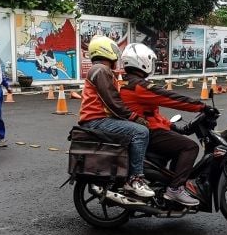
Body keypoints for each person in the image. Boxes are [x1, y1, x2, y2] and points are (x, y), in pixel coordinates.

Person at [119, 43, 213, 206]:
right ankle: (175, 189)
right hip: (147, 132)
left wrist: (171, 126)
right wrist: (201, 106)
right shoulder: (140, 86)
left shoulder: (129, 83)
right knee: (190, 147)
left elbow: (151, 114)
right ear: (142, 62)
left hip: (144, 128)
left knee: (178, 143)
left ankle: (170, 183)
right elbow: (171, 98)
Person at [78, 36, 155, 198]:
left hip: (98, 119)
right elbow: (113, 102)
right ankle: (135, 180)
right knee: (140, 132)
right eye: (114, 51)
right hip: (96, 121)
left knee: (135, 130)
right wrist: (134, 117)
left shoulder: (101, 70)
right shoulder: (100, 70)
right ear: (106, 51)